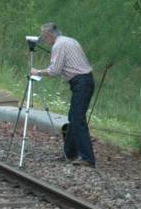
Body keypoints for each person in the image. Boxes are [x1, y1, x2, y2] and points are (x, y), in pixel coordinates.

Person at [31, 23, 96, 168]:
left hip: (81, 82)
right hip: (85, 80)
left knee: (77, 119)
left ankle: (88, 158)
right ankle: (70, 153)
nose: (44, 40)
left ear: (49, 35)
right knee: (74, 117)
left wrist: (38, 72)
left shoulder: (58, 46)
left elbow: (54, 70)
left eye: (44, 37)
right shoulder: (70, 40)